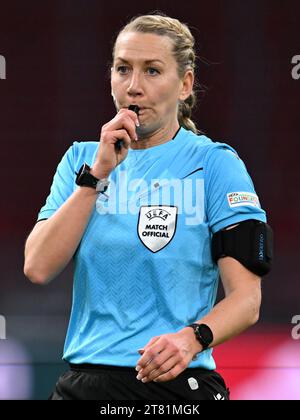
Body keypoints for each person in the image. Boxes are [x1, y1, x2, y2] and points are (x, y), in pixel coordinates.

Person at [24, 12, 272, 400]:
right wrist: (96, 177)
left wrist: (192, 339)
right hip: (85, 383)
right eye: (123, 69)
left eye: (152, 71)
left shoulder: (215, 165)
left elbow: (246, 300)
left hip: (176, 382)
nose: (134, 86)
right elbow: (38, 266)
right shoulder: (81, 161)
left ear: (185, 84)